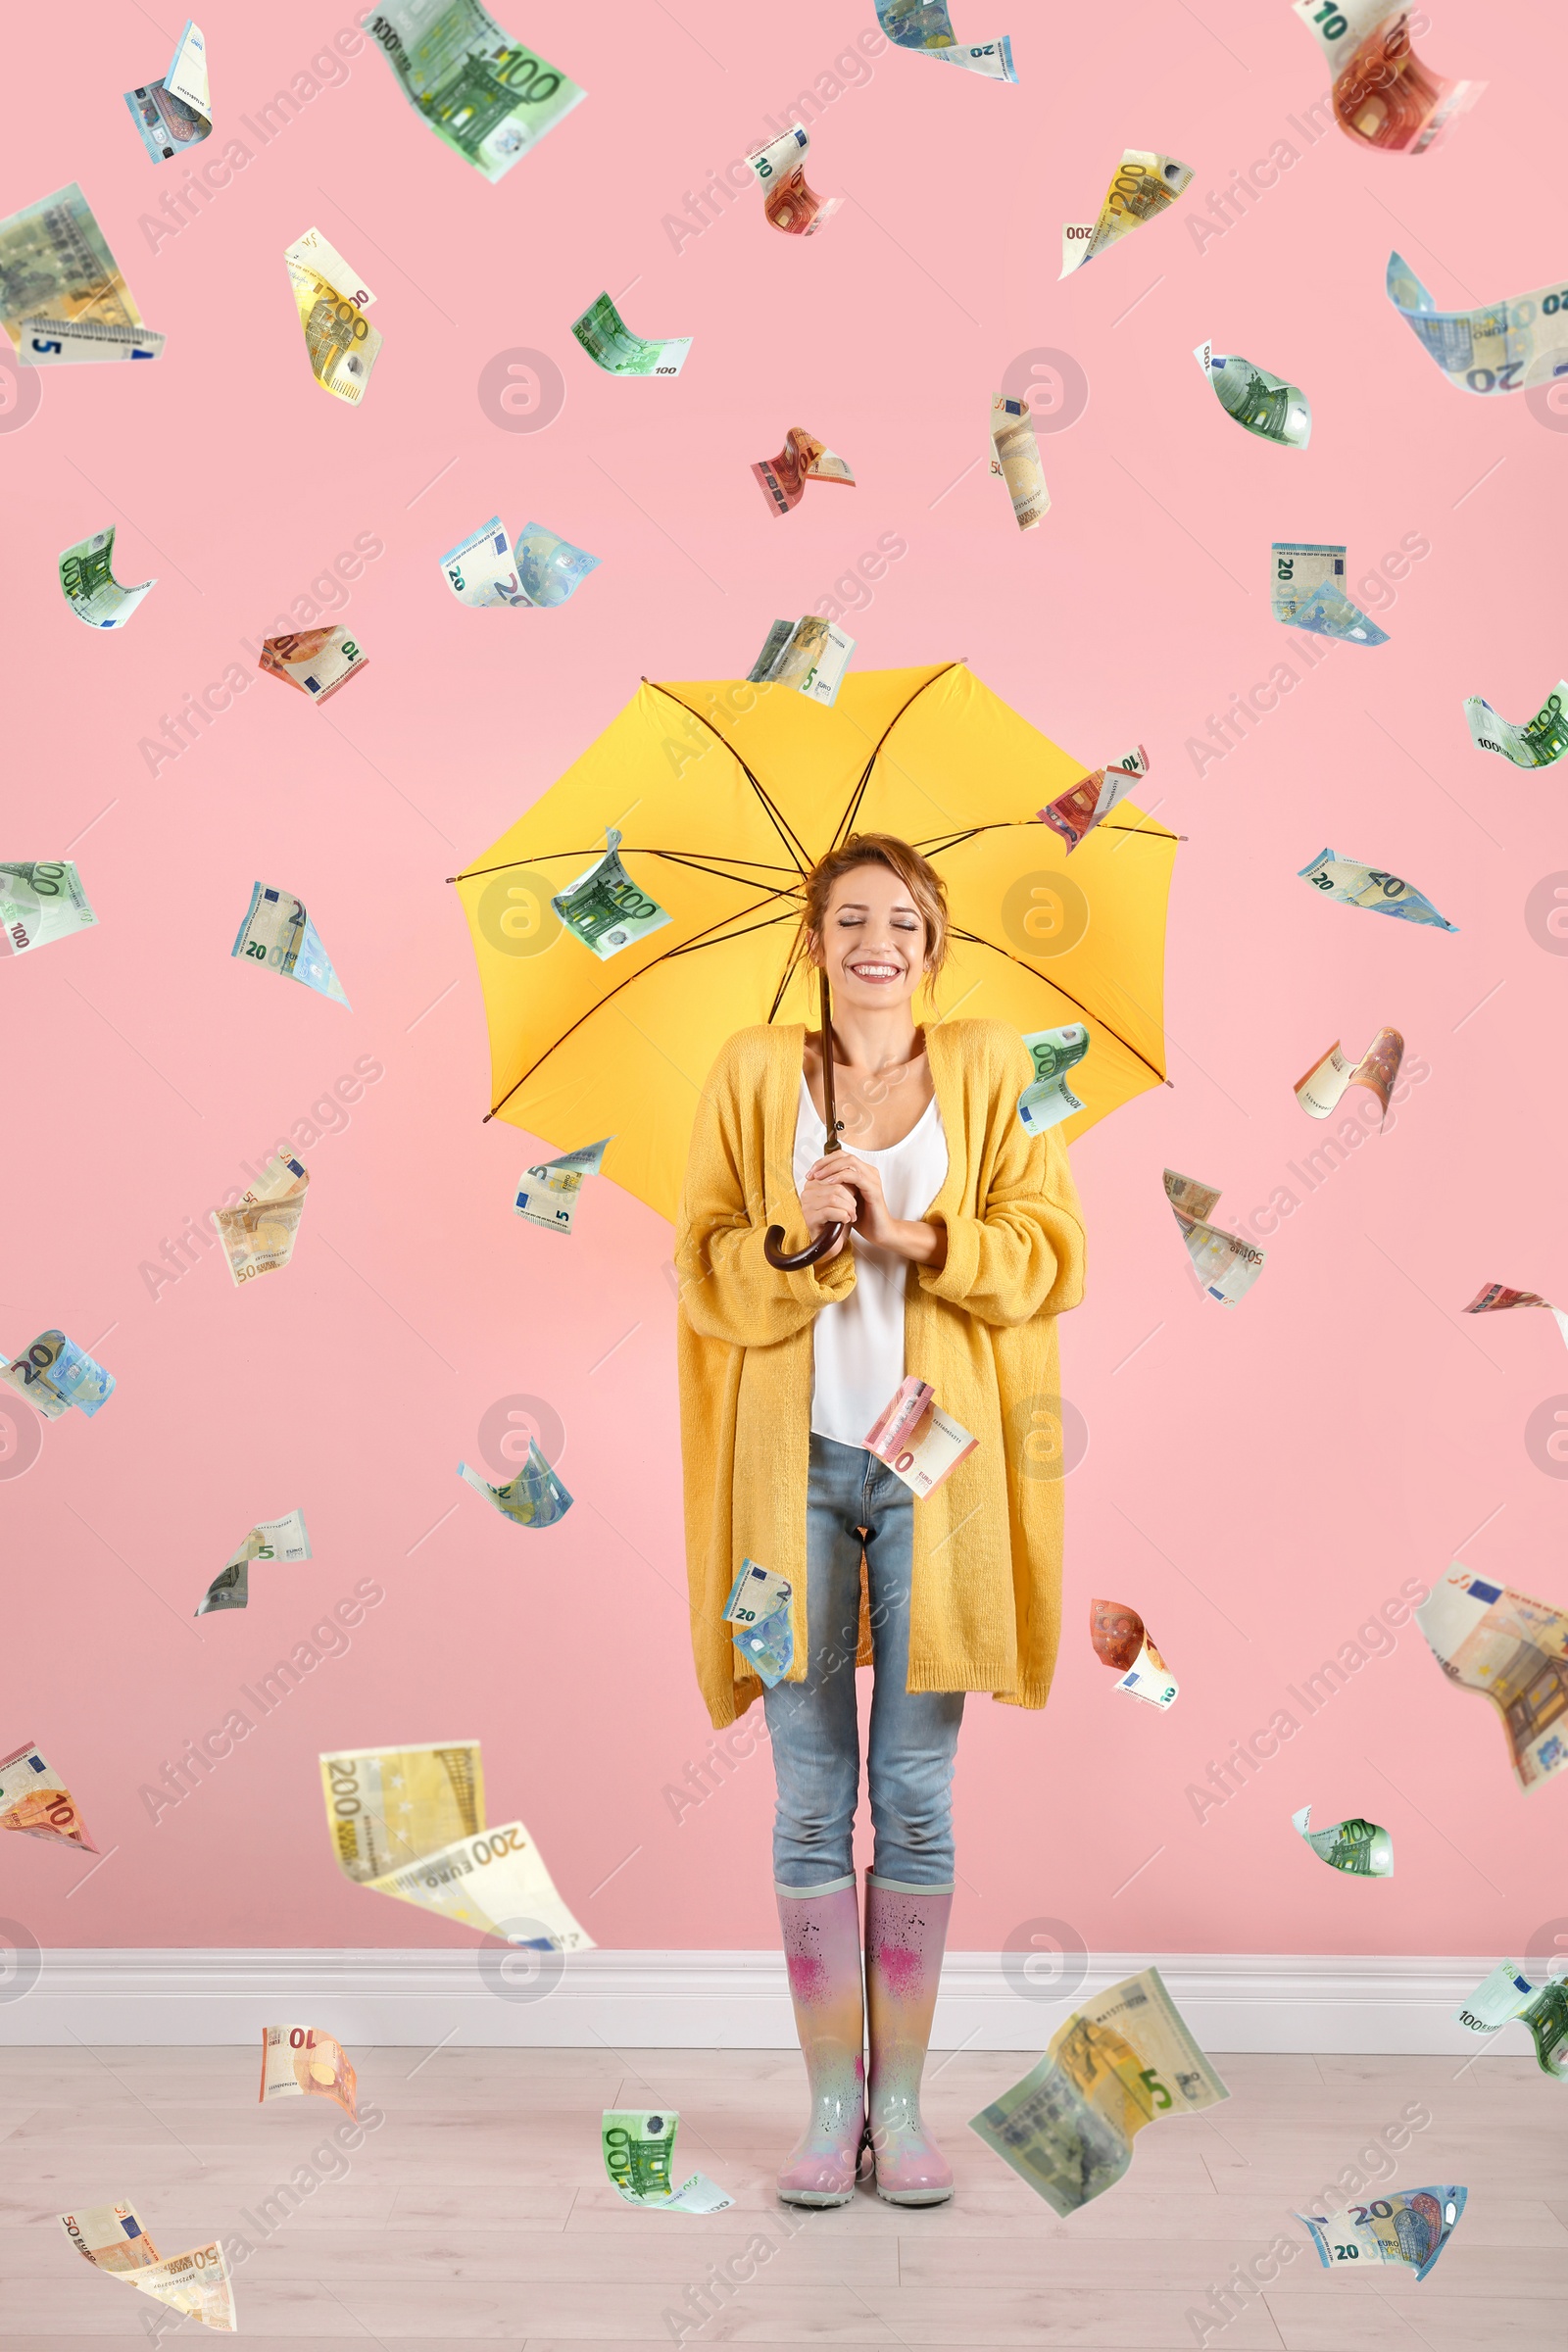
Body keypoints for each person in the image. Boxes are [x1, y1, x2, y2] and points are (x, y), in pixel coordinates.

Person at [674, 833, 1086, 2207]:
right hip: (782, 1476)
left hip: (937, 1477)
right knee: (808, 1801)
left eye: (901, 921)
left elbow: (1048, 1257)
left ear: (934, 942)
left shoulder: (987, 1065)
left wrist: (915, 1238)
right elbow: (702, 1270)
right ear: (814, 937)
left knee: (912, 1797)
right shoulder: (751, 1073)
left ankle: (902, 2110)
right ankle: (828, 2107)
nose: (876, 942)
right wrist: (795, 1245)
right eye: (851, 918)